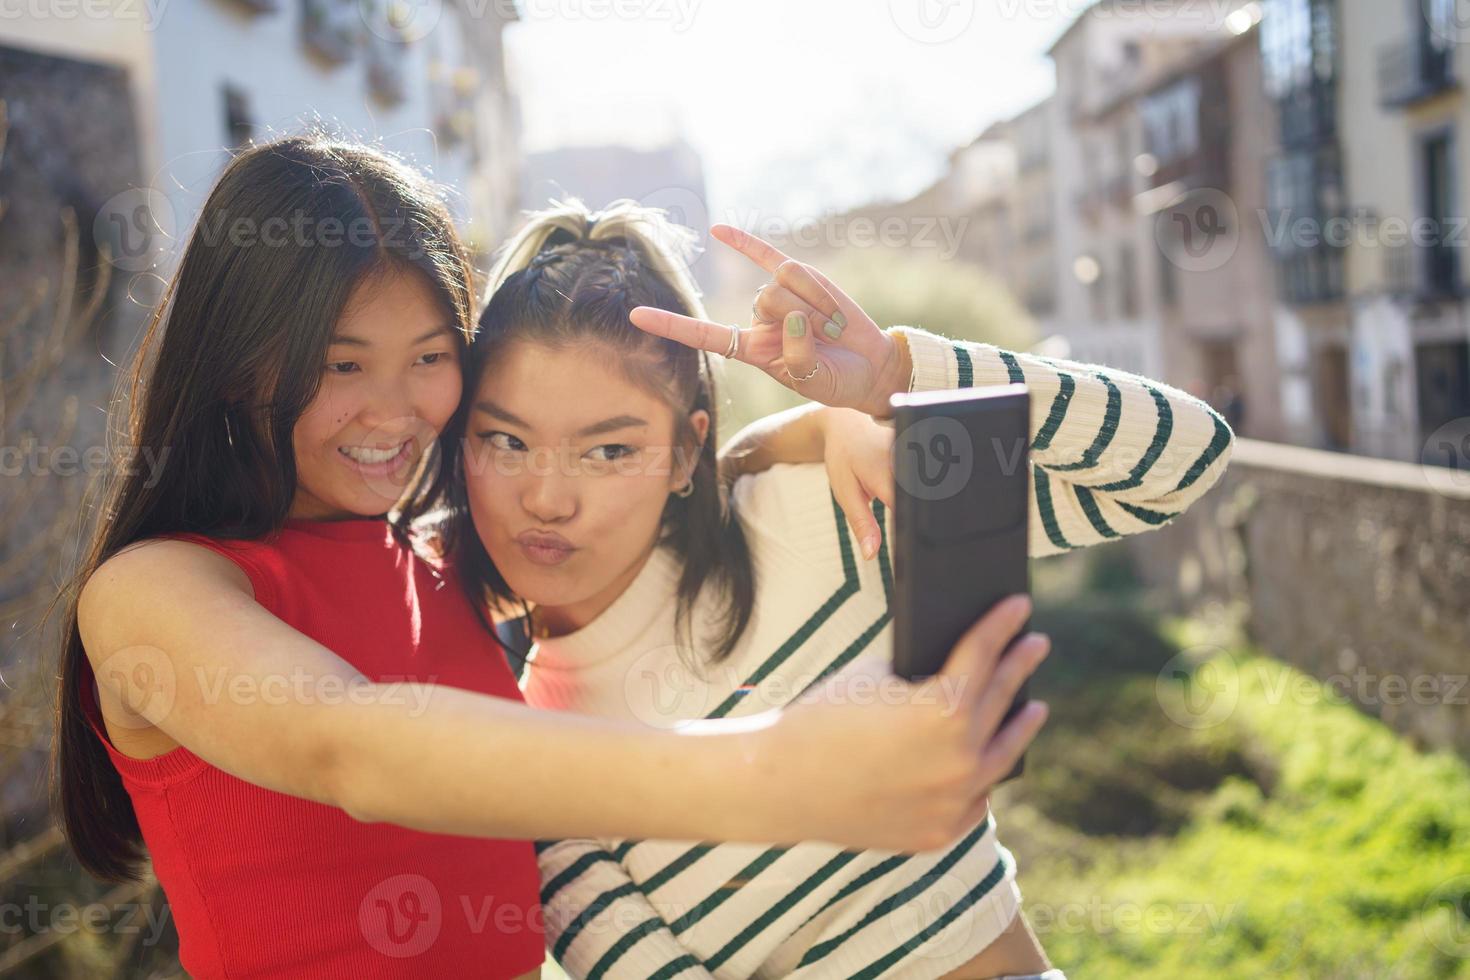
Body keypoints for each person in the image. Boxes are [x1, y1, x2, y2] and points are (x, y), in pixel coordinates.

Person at [53, 136, 1047, 979]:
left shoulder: (442, 565)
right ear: (237, 361)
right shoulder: (154, 593)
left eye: (431, 357)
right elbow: (350, 744)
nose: (395, 413)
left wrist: (805, 434)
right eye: (340, 363)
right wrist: (773, 771)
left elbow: (618, 494)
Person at [458, 201, 1235, 978]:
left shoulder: (820, 511)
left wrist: (897, 378)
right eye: (507, 440)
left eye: (609, 450)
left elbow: (1181, 460)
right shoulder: (535, 753)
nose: (548, 498)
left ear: (685, 450)